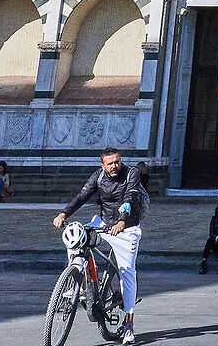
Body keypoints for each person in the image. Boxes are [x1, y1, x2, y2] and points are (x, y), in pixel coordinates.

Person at [54, 146, 148, 346]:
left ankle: (129, 324)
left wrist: (122, 220)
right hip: (104, 223)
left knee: (127, 273)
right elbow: (82, 195)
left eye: (117, 161)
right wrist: (64, 213)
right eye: (110, 163)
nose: (115, 166)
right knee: (75, 234)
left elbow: (130, 197)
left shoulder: (132, 173)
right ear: (103, 165)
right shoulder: (98, 176)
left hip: (127, 228)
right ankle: (77, 278)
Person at [196, 206, 218, 275]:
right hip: (216, 240)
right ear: (217, 210)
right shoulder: (214, 219)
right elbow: (211, 232)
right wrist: (216, 237)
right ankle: (204, 262)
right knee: (209, 241)